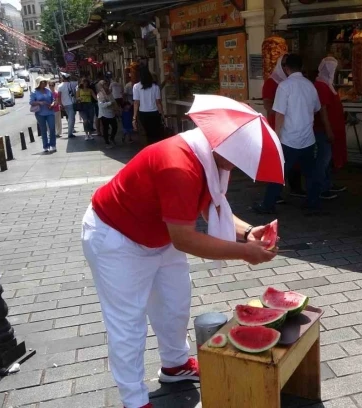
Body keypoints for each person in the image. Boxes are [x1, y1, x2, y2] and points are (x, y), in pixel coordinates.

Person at [81, 106, 279, 408]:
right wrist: (244, 253)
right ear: (221, 142)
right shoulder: (179, 164)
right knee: (128, 323)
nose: (237, 167)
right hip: (117, 237)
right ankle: (133, 400)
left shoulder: (208, 158)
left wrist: (248, 231)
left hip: (159, 234)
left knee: (175, 304)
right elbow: (185, 239)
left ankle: (174, 365)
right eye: (239, 158)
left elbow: (211, 205)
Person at [253, 53, 322, 215]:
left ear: (286, 68)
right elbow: (317, 108)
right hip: (307, 137)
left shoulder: (284, 86)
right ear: (301, 67)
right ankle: (313, 202)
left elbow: (279, 114)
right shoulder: (310, 86)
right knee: (310, 173)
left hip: (289, 138)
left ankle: (268, 204)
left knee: (278, 173)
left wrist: (275, 136)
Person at [313, 56, 347, 199]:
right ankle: (319, 189)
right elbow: (323, 110)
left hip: (331, 127)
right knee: (323, 159)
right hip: (323, 129)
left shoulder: (326, 84)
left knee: (327, 160)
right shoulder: (321, 85)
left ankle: (327, 184)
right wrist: (328, 130)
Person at [133, 65, 165, 144]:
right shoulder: (155, 87)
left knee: (146, 133)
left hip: (143, 113)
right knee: (155, 133)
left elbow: (136, 102)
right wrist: (162, 113)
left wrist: (134, 116)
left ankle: (149, 147)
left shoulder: (136, 87)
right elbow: (158, 102)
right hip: (155, 113)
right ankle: (155, 148)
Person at [30, 77, 57, 153]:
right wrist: (39, 102)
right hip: (40, 113)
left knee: (52, 128)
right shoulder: (34, 92)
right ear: (39, 83)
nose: (44, 83)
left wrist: (52, 104)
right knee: (43, 129)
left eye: (45, 82)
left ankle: (53, 144)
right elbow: (31, 102)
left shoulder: (48, 91)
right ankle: (45, 146)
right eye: (42, 82)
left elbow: (53, 100)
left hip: (50, 112)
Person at [97, 80, 119, 149]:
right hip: (104, 114)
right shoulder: (100, 94)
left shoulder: (110, 93)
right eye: (104, 85)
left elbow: (114, 101)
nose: (106, 86)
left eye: (106, 84)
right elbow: (101, 105)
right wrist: (109, 103)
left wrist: (116, 108)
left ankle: (112, 138)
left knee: (115, 127)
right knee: (105, 129)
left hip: (111, 113)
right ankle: (107, 142)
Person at [57, 74, 77, 138]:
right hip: (71, 103)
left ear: (63, 78)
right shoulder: (73, 84)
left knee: (70, 118)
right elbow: (80, 80)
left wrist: (60, 104)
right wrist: (74, 76)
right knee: (71, 119)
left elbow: (59, 96)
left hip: (65, 104)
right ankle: (70, 133)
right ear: (69, 78)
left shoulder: (60, 86)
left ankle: (70, 131)